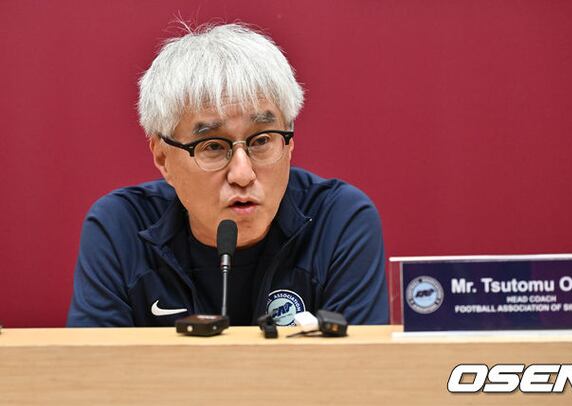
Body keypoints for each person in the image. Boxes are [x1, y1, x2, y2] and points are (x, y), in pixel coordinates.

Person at [67, 23, 388, 327]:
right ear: (163, 157)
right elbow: (95, 366)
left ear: (290, 143)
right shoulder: (122, 229)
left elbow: (360, 364)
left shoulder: (337, 221)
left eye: (261, 141)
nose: (242, 174)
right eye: (212, 146)